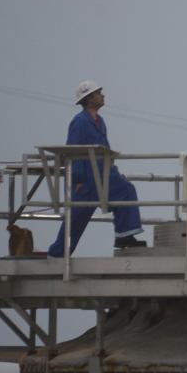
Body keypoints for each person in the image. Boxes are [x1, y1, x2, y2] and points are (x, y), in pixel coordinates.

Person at [47, 81, 145, 257]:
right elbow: (73, 151)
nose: (103, 95)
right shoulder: (79, 122)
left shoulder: (100, 122)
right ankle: (56, 255)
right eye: (99, 93)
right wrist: (77, 180)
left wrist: (113, 172)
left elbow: (104, 150)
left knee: (126, 190)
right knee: (75, 222)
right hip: (84, 182)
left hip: (104, 177)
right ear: (89, 98)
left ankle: (124, 236)